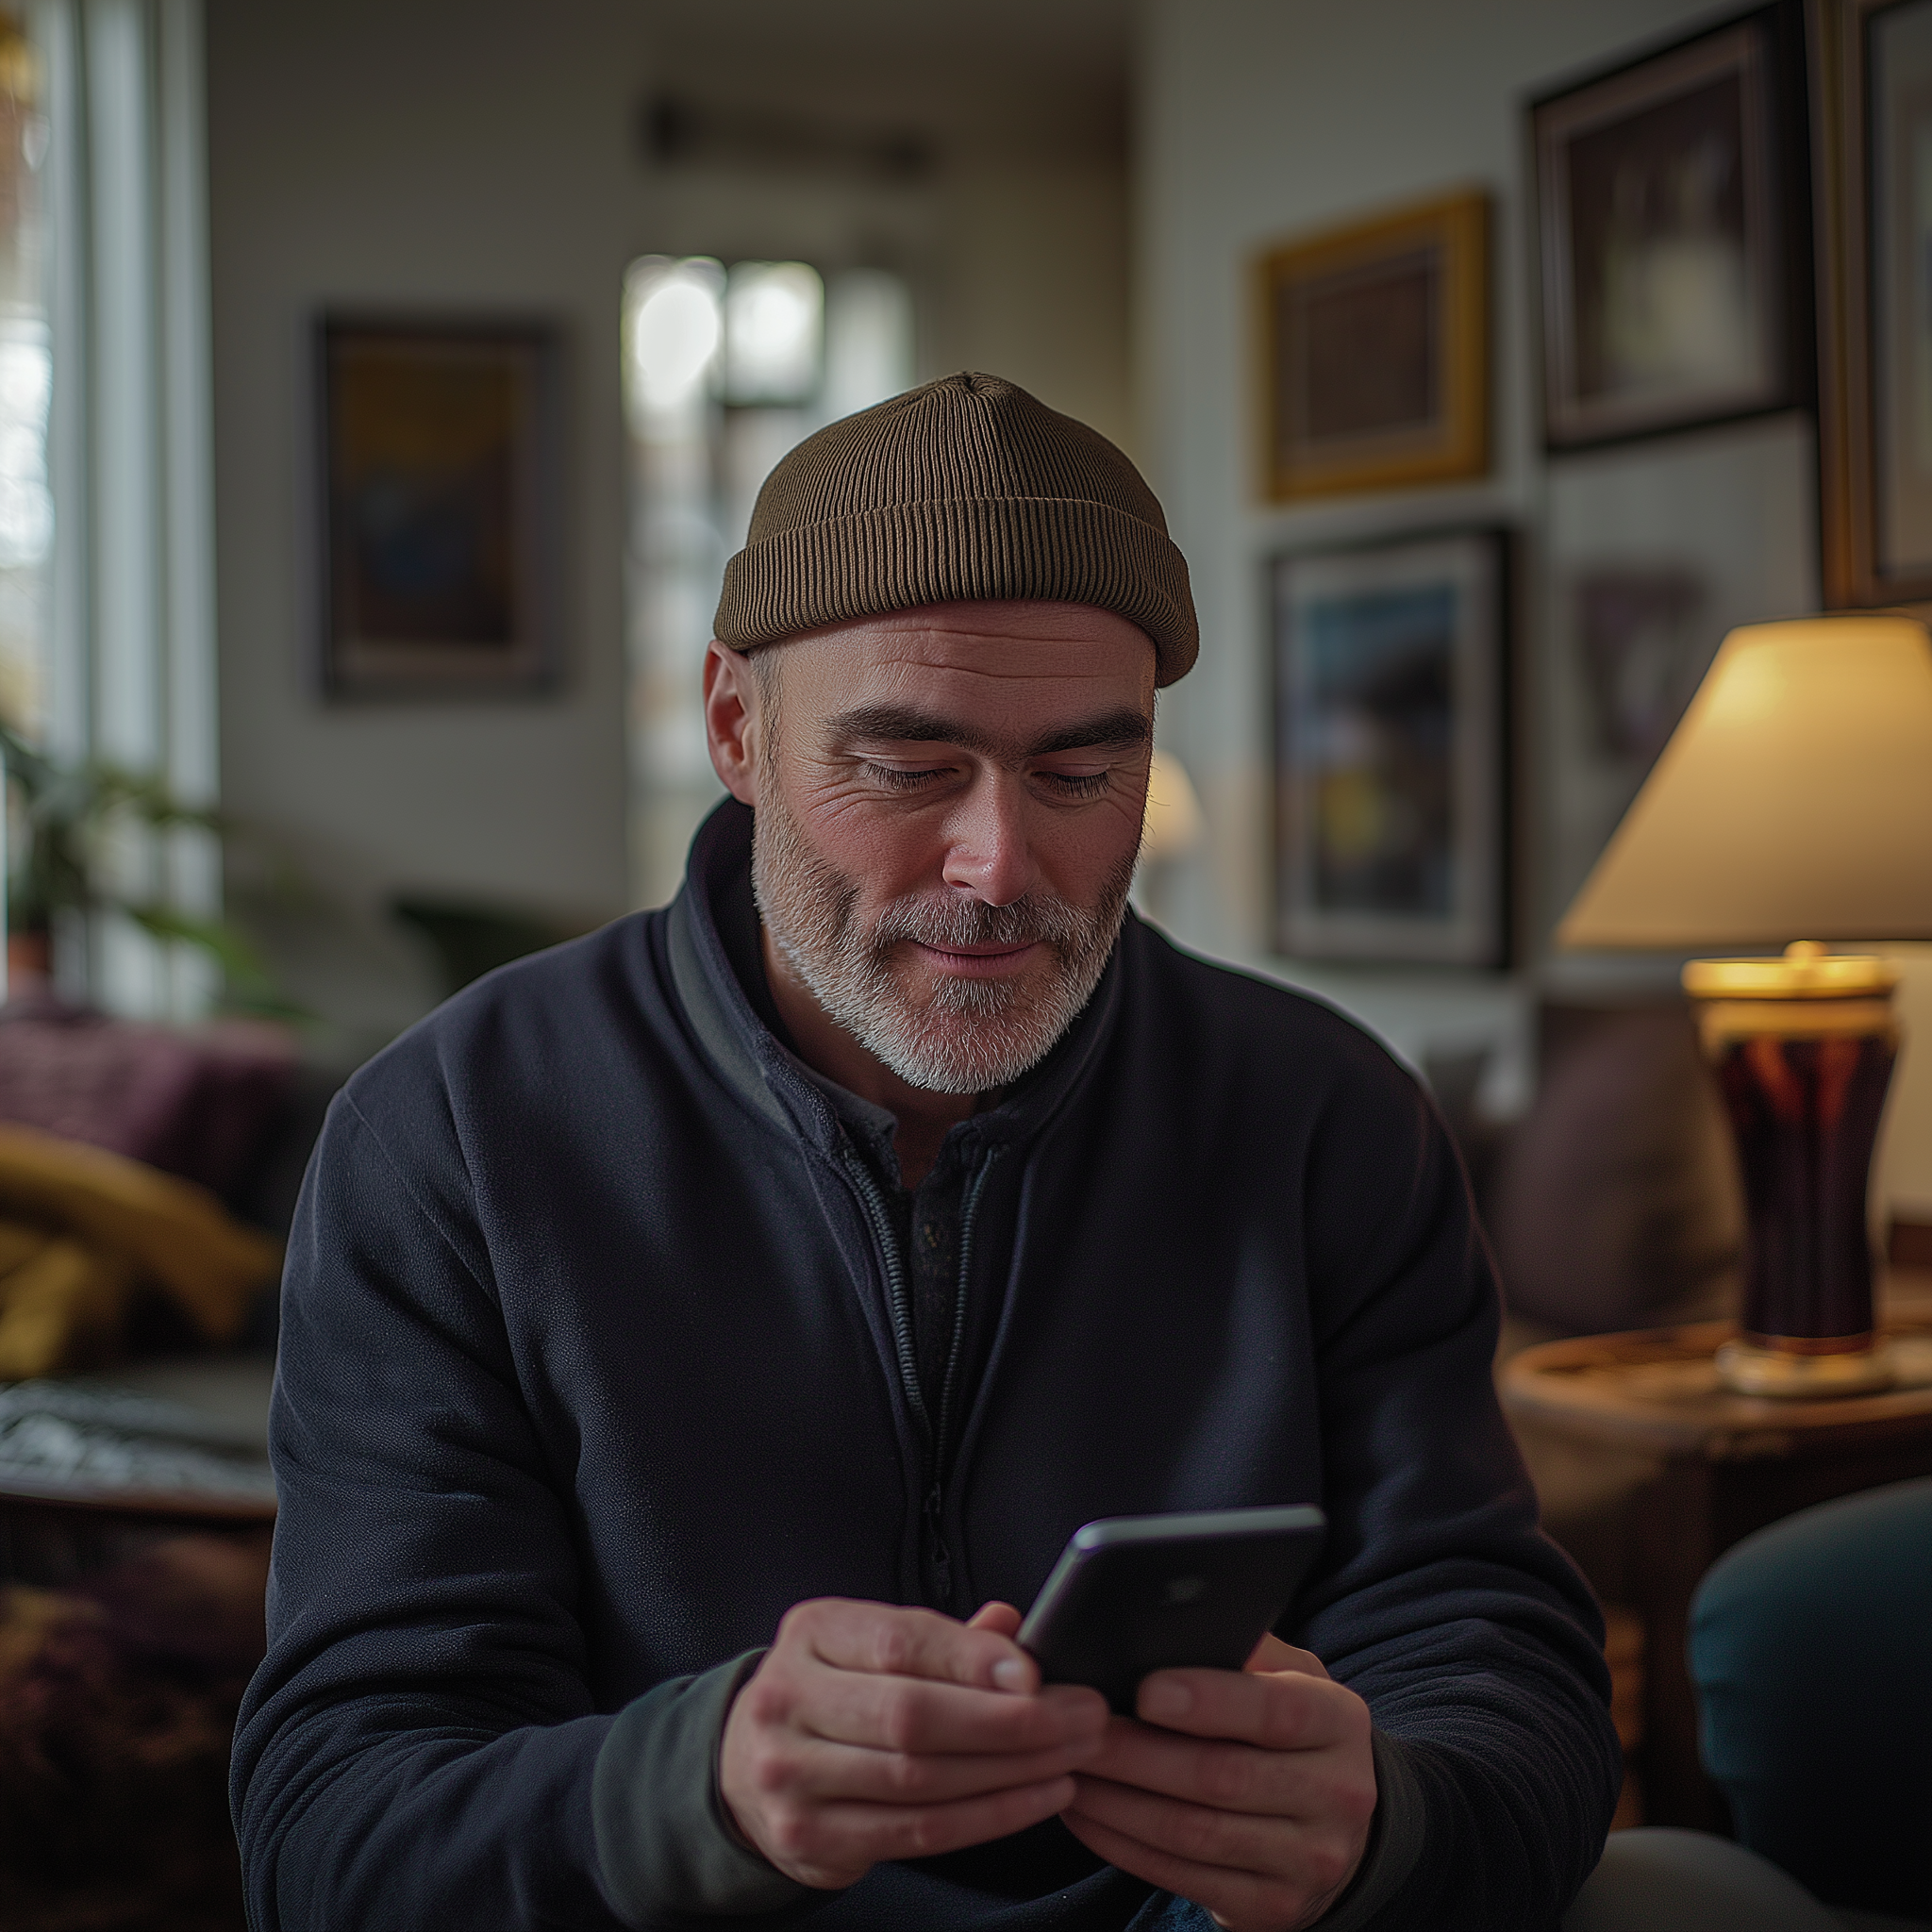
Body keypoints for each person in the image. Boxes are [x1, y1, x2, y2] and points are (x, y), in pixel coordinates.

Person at [232, 373, 1622, 1930]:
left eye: (1084, 772)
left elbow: (1503, 1669)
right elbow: (333, 1835)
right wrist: (697, 1791)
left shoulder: (1327, 1120)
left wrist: (1396, 1823)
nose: (999, 863)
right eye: (905, 769)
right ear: (736, 728)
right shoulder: (452, 1141)